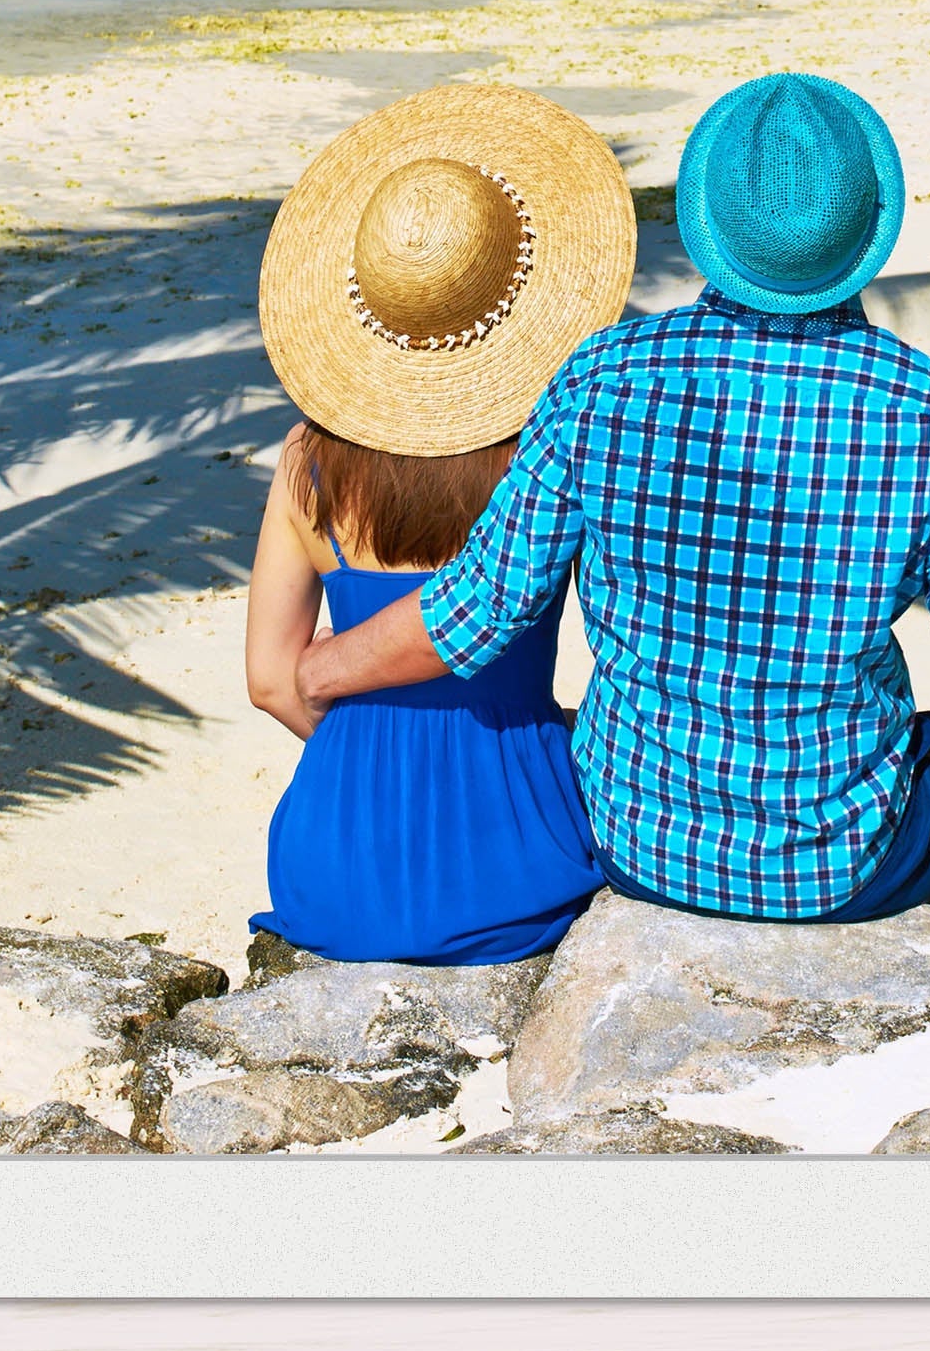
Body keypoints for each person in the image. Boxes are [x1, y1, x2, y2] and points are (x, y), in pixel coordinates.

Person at [293, 71, 930, 988]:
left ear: (706, 230)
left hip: (635, 838)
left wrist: (320, 670)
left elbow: (478, 608)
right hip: (835, 863)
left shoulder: (601, 377)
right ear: (868, 234)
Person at [241, 83, 639, 965]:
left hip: (332, 863)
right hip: (518, 852)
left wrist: (372, 751)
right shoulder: (548, 450)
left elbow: (272, 682)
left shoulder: (308, 462)